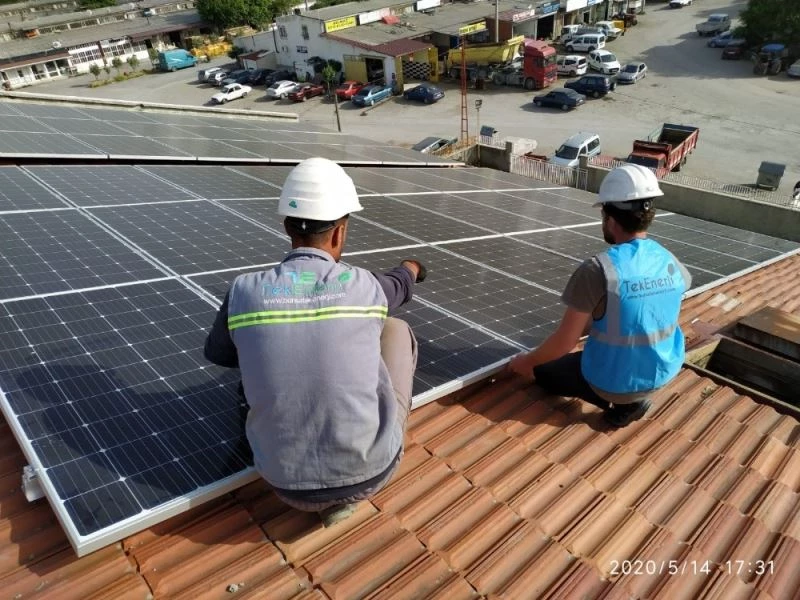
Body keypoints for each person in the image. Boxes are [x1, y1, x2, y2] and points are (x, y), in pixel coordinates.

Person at [204, 157, 425, 525]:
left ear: (286, 226)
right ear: (339, 232)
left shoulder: (243, 290)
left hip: (280, 480)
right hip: (371, 472)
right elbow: (400, 285)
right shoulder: (366, 286)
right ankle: (379, 434)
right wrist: (412, 268)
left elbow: (219, 354)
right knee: (395, 329)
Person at [509, 164, 692, 427]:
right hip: (665, 370)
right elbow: (646, 306)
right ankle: (632, 396)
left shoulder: (598, 270)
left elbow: (564, 342)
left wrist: (526, 363)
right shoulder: (669, 260)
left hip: (614, 383)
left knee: (544, 371)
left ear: (611, 218)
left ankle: (621, 405)